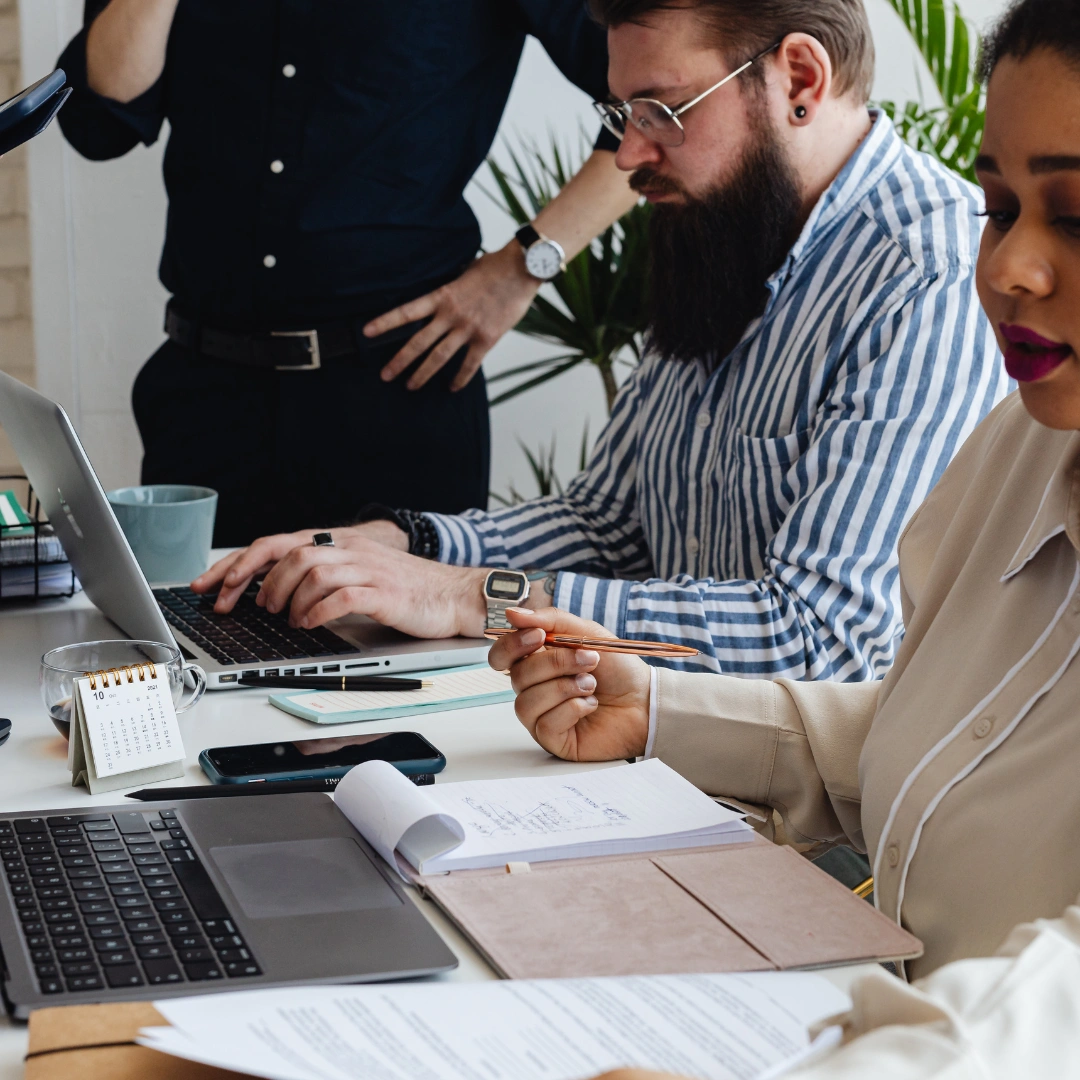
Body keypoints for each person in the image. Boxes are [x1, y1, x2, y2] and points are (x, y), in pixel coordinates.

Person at [488, 0, 1080, 1068]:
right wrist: (659, 710)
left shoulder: (918, 286)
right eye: (999, 207)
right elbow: (950, 740)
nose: (1006, 269)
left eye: (1074, 216)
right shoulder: (1019, 451)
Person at [197, 0, 1007, 682]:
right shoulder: (723, 234)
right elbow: (610, 523)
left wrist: (465, 594)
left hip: (827, 835)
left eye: (662, 110)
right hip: (663, 758)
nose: (630, 153)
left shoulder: (932, 276)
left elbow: (821, 640)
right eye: (623, 115)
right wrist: (402, 545)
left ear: (799, 79)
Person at [56, 0, 637, 546]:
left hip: (398, 387)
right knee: (187, 643)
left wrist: (525, 265)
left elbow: (658, 103)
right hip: (203, 388)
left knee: (404, 649)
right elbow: (102, 121)